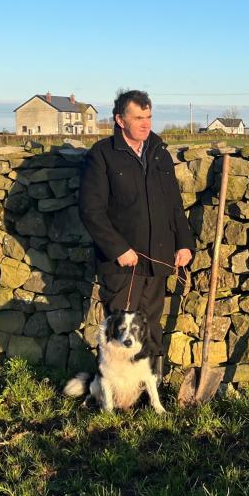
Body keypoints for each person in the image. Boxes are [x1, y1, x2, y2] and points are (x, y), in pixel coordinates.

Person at [79, 89, 194, 376]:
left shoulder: (159, 153)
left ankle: (150, 387)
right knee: (122, 331)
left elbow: (173, 204)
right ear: (120, 120)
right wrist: (118, 249)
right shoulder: (102, 155)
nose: (146, 124)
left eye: (149, 117)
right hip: (122, 265)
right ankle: (116, 392)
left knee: (150, 326)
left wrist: (183, 243)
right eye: (138, 118)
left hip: (157, 258)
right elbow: (91, 210)